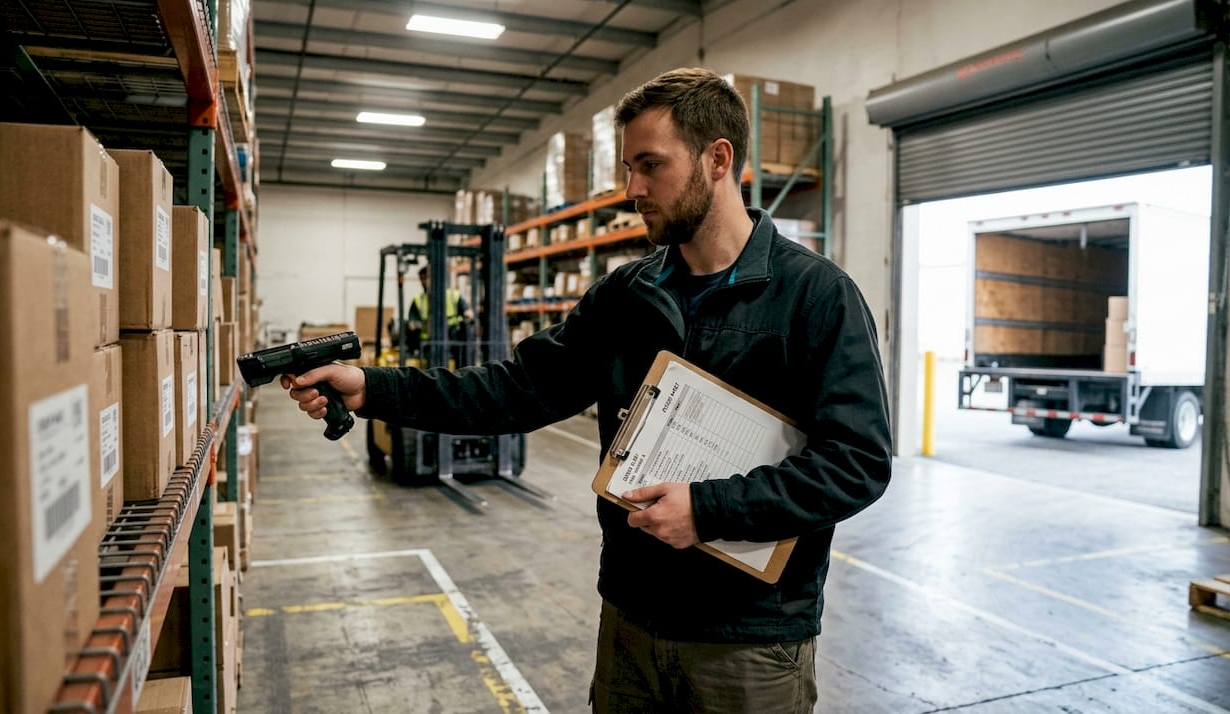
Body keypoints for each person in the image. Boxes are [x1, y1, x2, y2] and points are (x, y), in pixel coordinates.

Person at [281, 67, 892, 713]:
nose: (633, 189)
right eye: (629, 167)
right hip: (630, 617)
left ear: (718, 159)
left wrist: (710, 510)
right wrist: (370, 387)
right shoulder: (626, 297)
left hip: (747, 641)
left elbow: (856, 463)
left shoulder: (816, 296)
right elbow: (515, 391)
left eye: (651, 165)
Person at [406, 264, 473, 366]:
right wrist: (419, 325)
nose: (424, 282)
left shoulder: (454, 295)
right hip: (428, 343)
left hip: (453, 341)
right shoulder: (418, 299)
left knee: (464, 351)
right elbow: (411, 323)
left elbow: (468, 312)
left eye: (426, 278)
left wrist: (468, 315)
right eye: (422, 279)